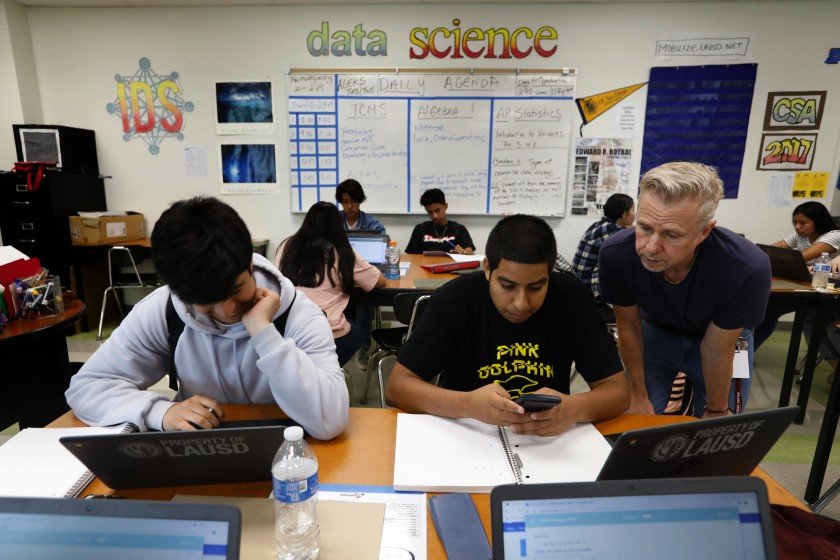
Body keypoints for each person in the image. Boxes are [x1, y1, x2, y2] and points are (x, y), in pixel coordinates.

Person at [66, 197, 349, 440]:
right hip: (198, 452)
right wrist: (160, 412)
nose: (228, 311)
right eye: (208, 303)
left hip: (287, 455)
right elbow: (87, 387)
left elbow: (330, 420)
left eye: (237, 289)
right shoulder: (163, 311)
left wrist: (265, 333)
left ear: (249, 262)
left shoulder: (300, 315)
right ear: (178, 292)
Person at [386, 214, 629, 436]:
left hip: (546, 442)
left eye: (536, 287)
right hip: (466, 435)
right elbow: (398, 387)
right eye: (508, 286)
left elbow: (617, 392)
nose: (521, 303)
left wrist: (572, 408)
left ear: (549, 273)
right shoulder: (455, 299)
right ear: (487, 269)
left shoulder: (572, 298)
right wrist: (467, 404)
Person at [599, 162, 771, 418]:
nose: (651, 247)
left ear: (704, 232)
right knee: (638, 422)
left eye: (671, 235)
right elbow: (629, 327)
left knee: (718, 433)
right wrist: (637, 394)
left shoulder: (746, 268)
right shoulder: (617, 255)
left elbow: (715, 348)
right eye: (645, 228)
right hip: (656, 329)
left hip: (721, 338)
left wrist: (716, 410)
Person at [276, 201, 385, 366]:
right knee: (354, 330)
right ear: (337, 226)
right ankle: (328, 371)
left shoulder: (287, 245)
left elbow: (277, 281)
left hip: (286, 331)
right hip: (327, 334)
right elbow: (379, 281)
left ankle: (310, 372)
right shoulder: (342, 250)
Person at [754, 201, 840, 350]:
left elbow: (801, 258)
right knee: (766, 305)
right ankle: (748, 349)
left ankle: (749, 348)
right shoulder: (800, 235)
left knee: (769, 307)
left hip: (827, 293)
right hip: (806, 286)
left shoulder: (833, 236)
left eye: (803, 223)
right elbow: (777, 247)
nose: (797, 227)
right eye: (795, 222)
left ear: (818, 221)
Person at [335, 179, 385, 370]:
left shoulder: (373, 224)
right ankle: (338, 341)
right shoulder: (334, 222)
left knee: (365, 299)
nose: (349, 206)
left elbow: (380, 251)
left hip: (363, 273)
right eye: (345, 201)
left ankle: (363, 346)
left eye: (353, 201)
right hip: (338, 275)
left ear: (360, 201)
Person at [572, 193, 635, 299]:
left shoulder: (600, 225)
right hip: (588, 285)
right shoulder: (612, 230)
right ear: (624, 214)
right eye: (633, 210)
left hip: (577, 281)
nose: (635, 214)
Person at [405, 188, 476, 255]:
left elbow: (470, 251)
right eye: (430, 212)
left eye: (437, 210)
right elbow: (410, 256)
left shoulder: (459, 229)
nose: (434, 216)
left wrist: (463, 252)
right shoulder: (420, 229)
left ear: (445, 206)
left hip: (450, 267)